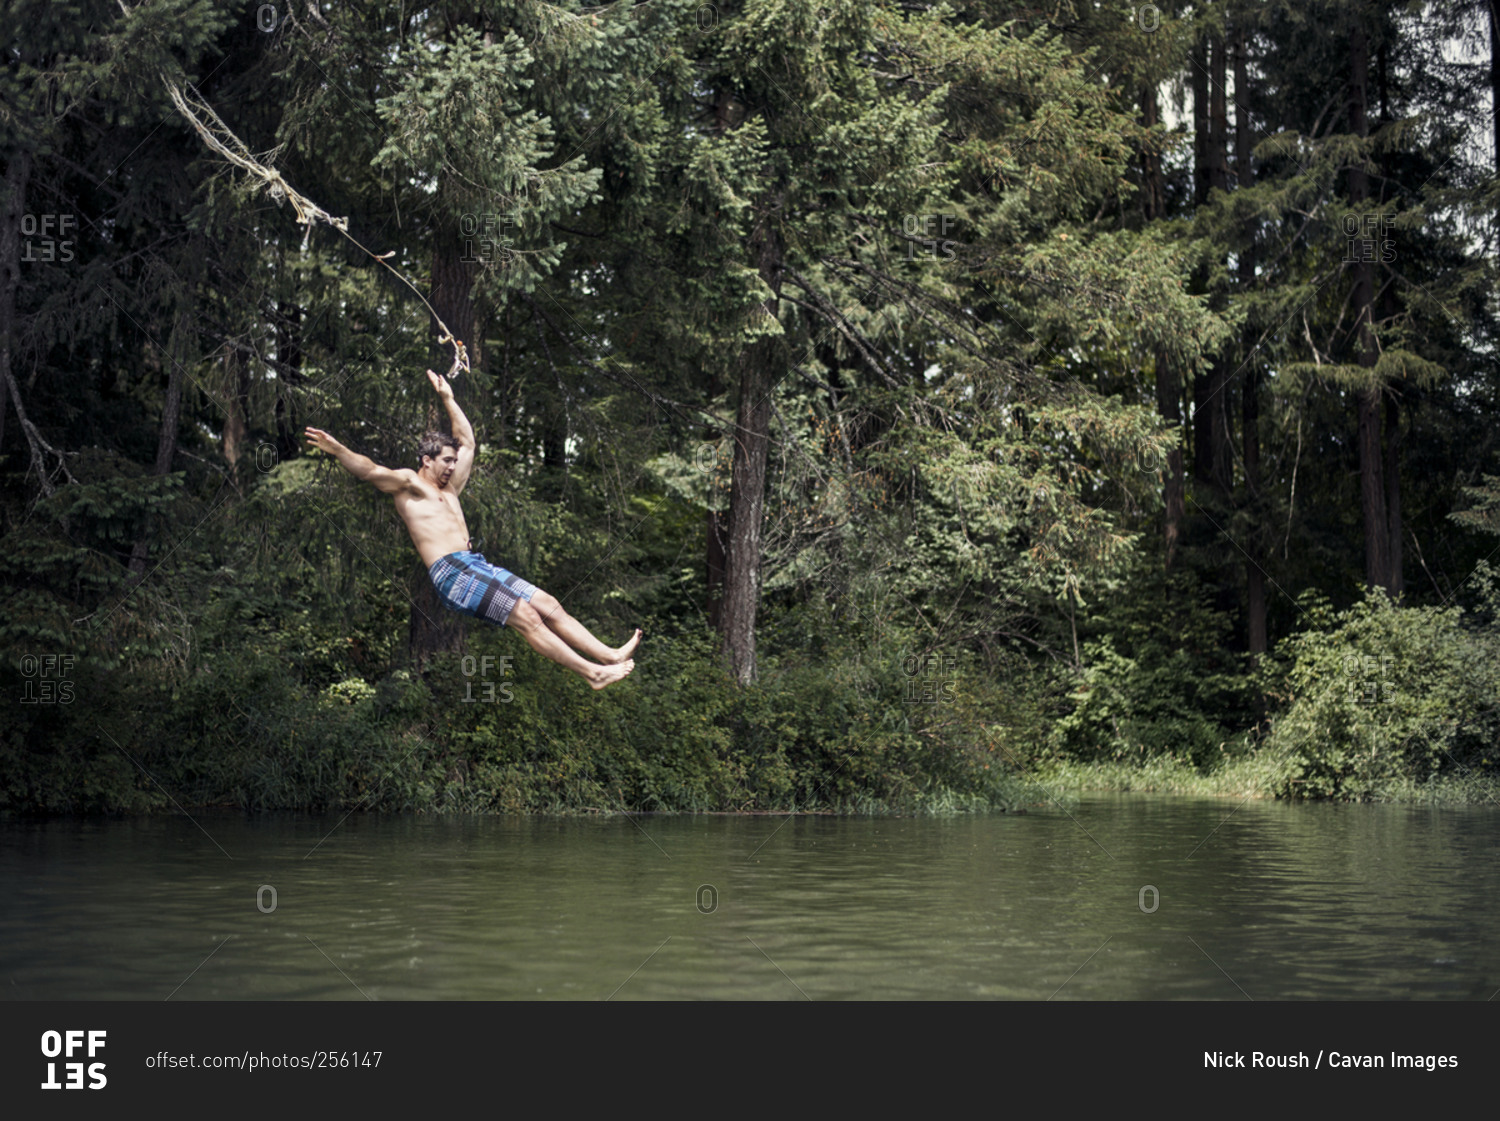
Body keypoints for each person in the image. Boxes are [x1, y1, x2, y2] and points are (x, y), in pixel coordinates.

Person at [304, 369, 638, 689]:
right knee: (525, 615)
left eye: (453, 461)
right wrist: (339, 450)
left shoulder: (449, 492)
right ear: (426, 460)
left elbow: (468, 442)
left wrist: (448, 398)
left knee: (547, 602)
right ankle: (592, 674)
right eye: (446, 461)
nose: (453, 466)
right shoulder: (410, 485)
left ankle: (608, 654)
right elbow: (371, 471)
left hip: (476, 564)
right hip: (451, 573)